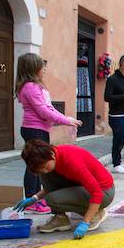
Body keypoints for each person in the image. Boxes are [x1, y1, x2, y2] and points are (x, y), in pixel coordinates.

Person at [15, 53, 82, 214]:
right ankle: (32, 199)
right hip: (35, 129)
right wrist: (66, 120)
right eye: (41, 66)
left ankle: (35, 197)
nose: (44, 69)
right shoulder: (30, 87)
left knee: (37, 163)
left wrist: (67, 119)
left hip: (38, 129)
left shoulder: (33, 86)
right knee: (36, 165)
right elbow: (44, 111)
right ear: (33, 68)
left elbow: (48, 108)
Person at [13, 140, 115, 239]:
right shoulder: (53, 158)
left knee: (52, 199)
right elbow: (51, 186)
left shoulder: (71, 161)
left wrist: (85, 222)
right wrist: (34, 198)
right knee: (46, 176)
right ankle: (61, 219)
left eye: (45, 167)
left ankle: (96, 214)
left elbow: (97, 193)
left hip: (104, 192)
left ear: (51, 155)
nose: (44, 170)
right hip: (85, 188)